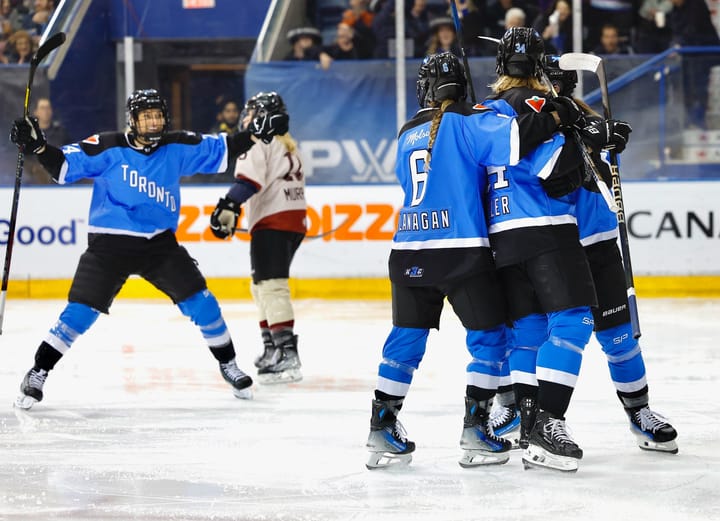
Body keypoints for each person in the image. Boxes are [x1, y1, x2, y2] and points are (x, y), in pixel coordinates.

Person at [364, 51, 583, 469]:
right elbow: (518, 139)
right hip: (461, 249)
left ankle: (380, 427)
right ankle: (476, 430)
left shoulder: (405, 132)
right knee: (492, 341)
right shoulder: (469, 120)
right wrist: (558, 117)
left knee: (405, 341)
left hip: (408, 249)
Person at [9, 88, 289, 409]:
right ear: (133, 120)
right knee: (79, 313)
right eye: (146, 116)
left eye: (157, 115)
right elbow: (62, 168)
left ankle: (228, 364)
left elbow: (224, 147)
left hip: (159, 245)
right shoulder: (107, 145)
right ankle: (38, 371)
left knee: (204, 304)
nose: (154, 122)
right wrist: (39, 146)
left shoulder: (176, 146)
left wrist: (255, 133)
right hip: (109, 245)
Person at [482, 27, 607, 472]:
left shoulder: (483, 111)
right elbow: (552, 169)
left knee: (528, 331)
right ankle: (548, 425)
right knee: (574, 321)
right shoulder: (539, 105)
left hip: (500, 235)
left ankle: (528, 424)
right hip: (545, 228)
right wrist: (587, 137)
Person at [544, 55, 678, 454]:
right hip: (555, 246)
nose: (555, 90)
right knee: (545, 336)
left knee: (620, 338)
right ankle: (531, 415)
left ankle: (641, 412)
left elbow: (596, 161)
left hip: (599, 242)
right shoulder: (529, 123)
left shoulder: (581, 119)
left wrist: (609, 141)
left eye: (560, 84)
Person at [209, 92, 306, 385]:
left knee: (272, 286)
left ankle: (286, 352)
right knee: (260, 286)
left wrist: (228, 203)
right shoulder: (288, 143)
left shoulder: (260, 141)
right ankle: (272, 348)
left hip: (271, 221)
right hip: (292, 220)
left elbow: (249, 182)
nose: (246, 117)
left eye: (251, 112)